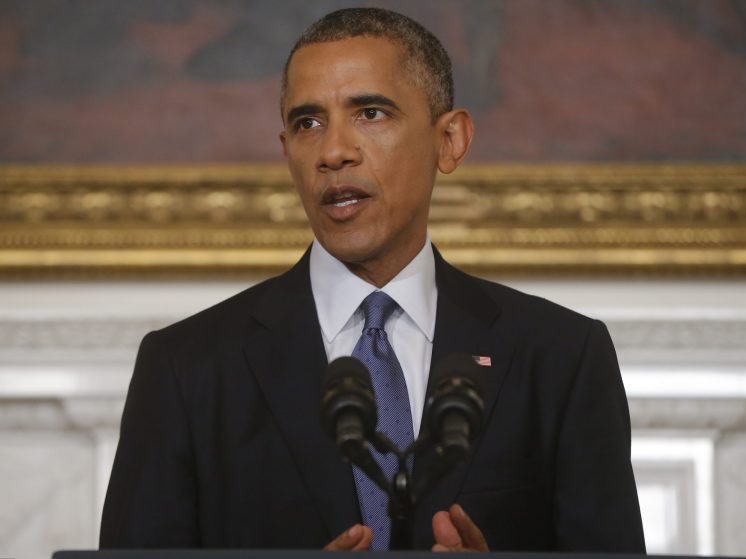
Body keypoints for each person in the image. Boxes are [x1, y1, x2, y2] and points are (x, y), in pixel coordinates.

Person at [100, 7, 645, 552]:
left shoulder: (561, 357)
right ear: (286, 151)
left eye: (371, 113)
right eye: (307, 123)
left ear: (450, 140)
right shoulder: (186, 369)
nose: (333, 151)